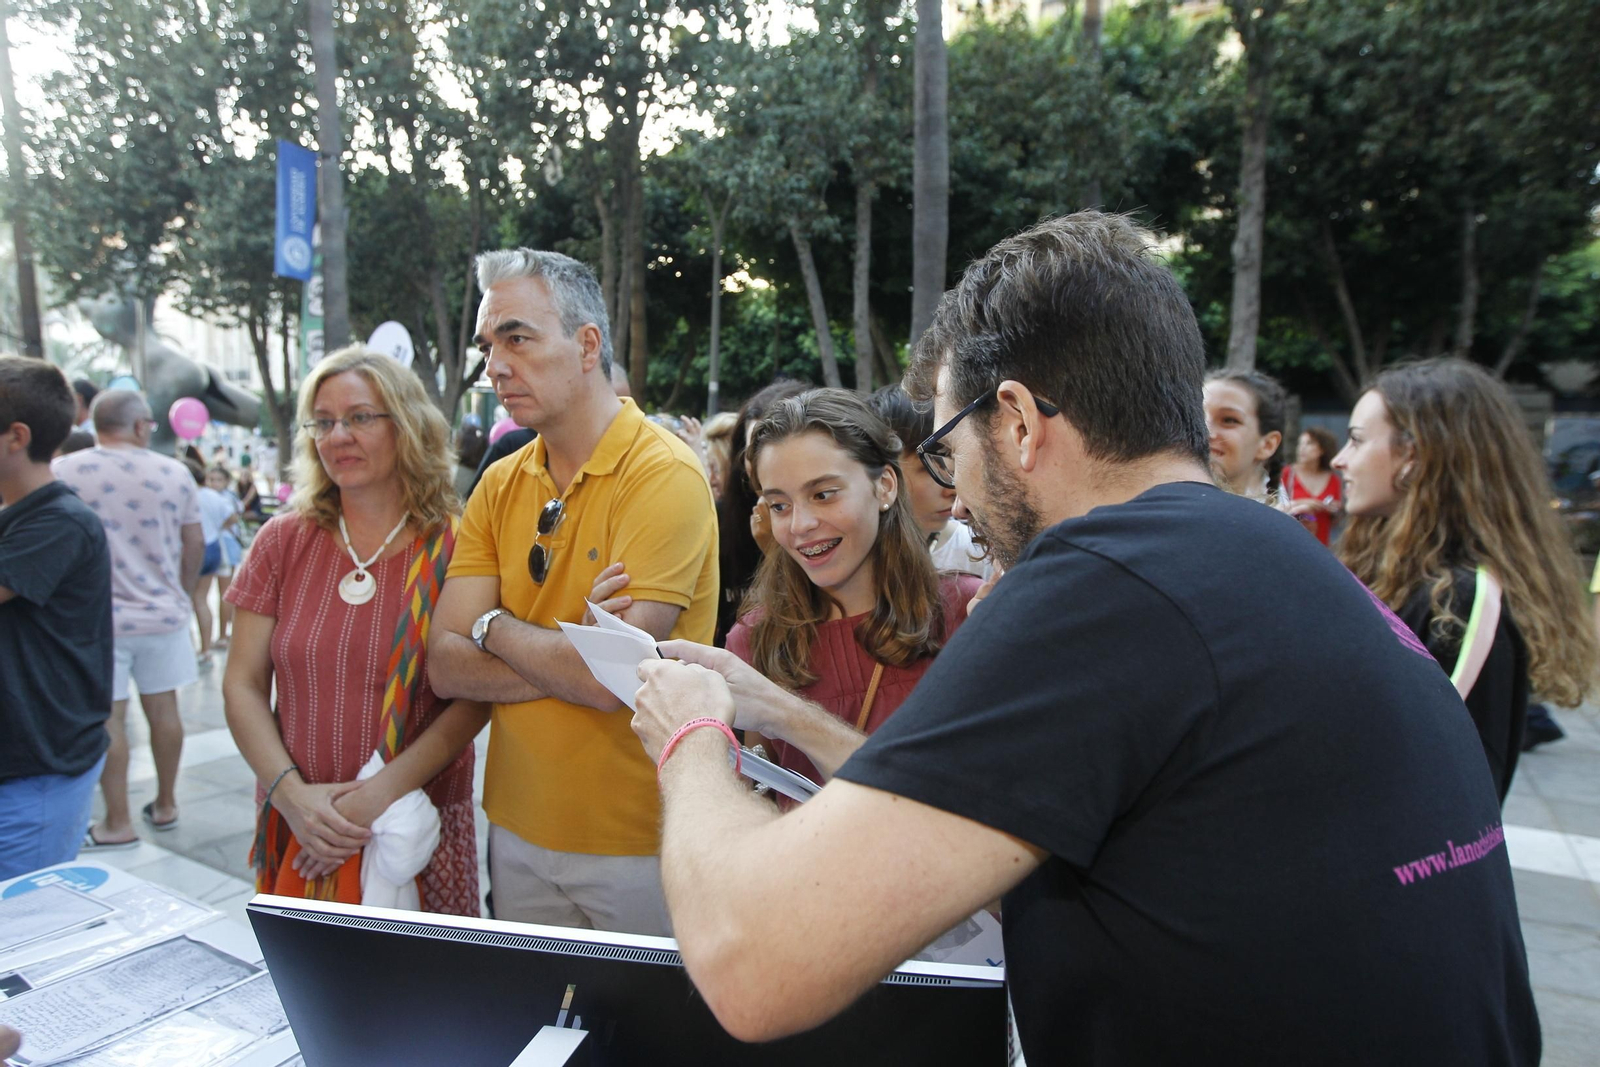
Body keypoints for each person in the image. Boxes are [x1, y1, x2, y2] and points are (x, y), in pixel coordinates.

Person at [627, 212, 1537, 1065]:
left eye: (948, 448)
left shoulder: (1101, 584)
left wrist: (690, 735)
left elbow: (755, 960)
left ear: (1018, 423)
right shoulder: (1278, 561)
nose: (958, 494)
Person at [430, 249, 718, 934]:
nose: (496, 364)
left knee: (646, 1042)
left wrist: (491, 625)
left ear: (587, 344)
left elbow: (611, 680)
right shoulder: (500, 481)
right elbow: (442, 664)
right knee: (539, 1031)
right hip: (516, 825)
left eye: (518, 337)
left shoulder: (664, 473)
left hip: (640, 836)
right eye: (488, 344)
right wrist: (573, 647)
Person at [222, 346, 489, 914]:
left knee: (418, 993)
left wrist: (374, 798)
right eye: (324, 421)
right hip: (300, 823)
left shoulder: (457, 545)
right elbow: (242, 684)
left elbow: (473, 700)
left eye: (361, 417)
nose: (338, 435)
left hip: (414, 822)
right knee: (308, 990)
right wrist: (292, 798)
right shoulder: (281, 541)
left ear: (408, 426)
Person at [1335, 358, 1596, 802]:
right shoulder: (1401, 571)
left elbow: (1429, 773)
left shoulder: (1461, 597)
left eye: (1357, 441)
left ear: (1415, 455)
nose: (1340, 460)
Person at [712, 390, 979, 790]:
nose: (800, 525)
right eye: (779, 505)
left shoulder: (966, 615)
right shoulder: (753, 639)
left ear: (885, 487)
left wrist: (787, 715)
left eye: (823, 495)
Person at [55, 390, 202, 848]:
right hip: (163, 614)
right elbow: (194, 542)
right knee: (165, 712)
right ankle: (166, 804)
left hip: (97, 623)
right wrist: (179, 587)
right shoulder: (175, 473)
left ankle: (117, 822)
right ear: (141, 426)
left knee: (108, 720)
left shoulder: (64, 471)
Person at [0, 358, 112, 879]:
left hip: (37, 773)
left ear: (15, 437)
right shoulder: (18, 516)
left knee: (23, 936)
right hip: (24, 765)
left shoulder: (58, 522)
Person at [716, 380, 809, 644]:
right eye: (753, 450)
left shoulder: (823, 523)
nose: (764, 462)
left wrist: (776, 552)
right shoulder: (721, 520)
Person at [869, 383, 991, 578]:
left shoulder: (976, 554)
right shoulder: (851, 563)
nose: (952, 489)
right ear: (884, 477)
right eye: (928, 468)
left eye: (953, 464)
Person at [1203, 368, 1286, 500]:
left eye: (1229, 420)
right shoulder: (1160, 508)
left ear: (1267, 445)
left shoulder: (1269, 519)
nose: (1204, 431)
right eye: (1197, 416)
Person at [193, 464, 238, 663]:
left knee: (202, 598)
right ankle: (213, 641)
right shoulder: (216, 498)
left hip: (207, 549)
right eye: (211, 479)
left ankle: (210, 642)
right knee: (217, 595)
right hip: (217, 548)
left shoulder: (194, 496)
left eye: (218, 479)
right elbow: (232, 518)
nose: (214, 483)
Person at [1279, 424, 1343, 545]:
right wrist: (1305, 502)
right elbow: (1274, 506)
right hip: (1292, 542)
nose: (1302, 448)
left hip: (1322, 544)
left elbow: (1336, 520)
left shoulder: (1333, 479)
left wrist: (1334, 510)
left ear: (1322, 449)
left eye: (1309, 443)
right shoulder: (1287, 474)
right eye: (1300, 444)